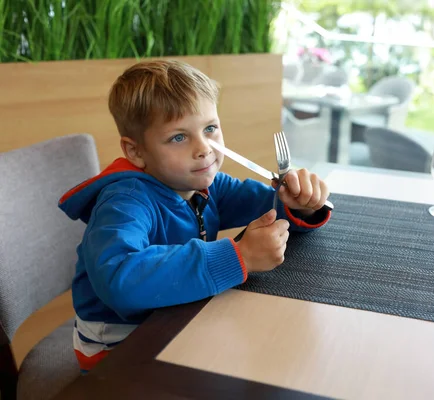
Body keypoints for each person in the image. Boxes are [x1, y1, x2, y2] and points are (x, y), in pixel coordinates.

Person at [58, 59, 332, 373]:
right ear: (135, 152)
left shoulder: (203, 184)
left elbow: (271, 204)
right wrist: (238, 256)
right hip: (120, 348)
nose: (204, 149)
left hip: (181, 315)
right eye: (178, 137)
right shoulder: (124, 202)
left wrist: (300, 202)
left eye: (210, 129)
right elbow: (120, 279)